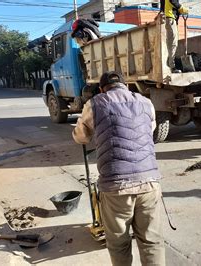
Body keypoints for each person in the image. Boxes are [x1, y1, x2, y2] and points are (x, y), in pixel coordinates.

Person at [72, 71, 165, 266]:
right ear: (126, 85)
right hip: (149, 182)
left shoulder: (95, 103)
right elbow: (149, 129)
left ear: (101, 89)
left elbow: (81, 137)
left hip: (117, 186)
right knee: (151, 241)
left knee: (118, 243)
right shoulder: (145, 102)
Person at [160, 0, 188, 73]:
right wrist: (182, 8)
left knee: (171, 42)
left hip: (169, 19)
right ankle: (172, 66)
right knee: (173, 44)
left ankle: (170, 64)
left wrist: (161, 12)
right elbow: (173, 1)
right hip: (171, 19)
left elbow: (163, 5)